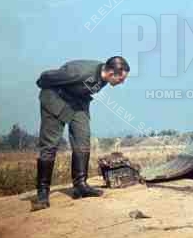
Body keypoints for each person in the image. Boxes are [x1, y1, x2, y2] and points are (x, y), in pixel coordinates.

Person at [32, 56, 130, 211]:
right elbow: (43, 79)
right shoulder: (80, 72)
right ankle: (42, 193)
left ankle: (80, 186)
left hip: (77, 103)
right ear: (112, 72)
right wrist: (57, 93)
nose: (122, 82)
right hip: (54, 100)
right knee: (50, 145)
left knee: (83, 138)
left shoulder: (104, 79)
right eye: (121, 78)